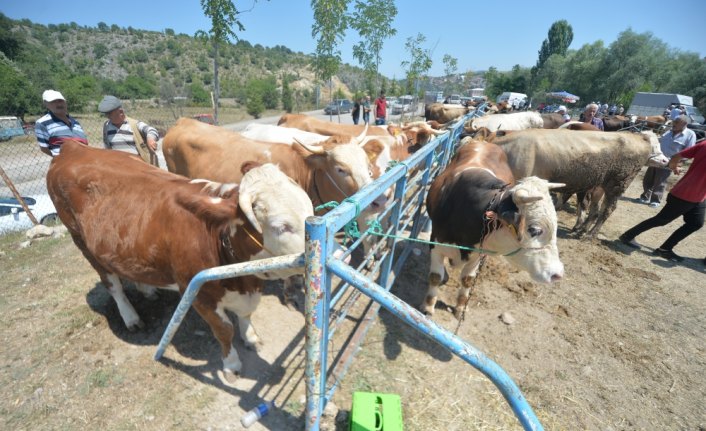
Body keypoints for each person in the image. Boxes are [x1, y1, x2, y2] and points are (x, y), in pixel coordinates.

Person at [619, 139, 706, 262]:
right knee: (661, 220)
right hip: (686, 194)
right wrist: (673, 166)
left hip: (699, 196)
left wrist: (673, 165)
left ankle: (665, 249)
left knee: (695, 223)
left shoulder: (704, 143)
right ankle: (628, 236)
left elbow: (677, 156)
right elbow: (678, 156)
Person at [638, 116, 696, 208]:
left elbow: (689, 151)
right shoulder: (669, 131)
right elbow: (660, 141)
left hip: (669, 162)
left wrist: (678, 163)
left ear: (684, 124)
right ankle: (645, 196)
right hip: (656, 159)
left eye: (677, 122)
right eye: (674, 121)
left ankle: (655, 200)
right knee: (648, 178)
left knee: (660, 181)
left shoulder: (690, 135)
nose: (674, 124)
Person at [98, 95, 160, 166]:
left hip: (138, 166)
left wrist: (150, 139)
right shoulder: (106, 126)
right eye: (106, 113)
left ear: (120, 112)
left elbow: (151, 130)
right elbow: (107, 147)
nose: (107, 116)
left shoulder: (134, 124)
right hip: (118, 167)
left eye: (110, 113)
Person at [35, 89, 88, 157]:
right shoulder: (42, 123)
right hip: (66, 164)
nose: (59, 104)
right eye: (53, 102)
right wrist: (60, 159)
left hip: (84, 161)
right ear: (46, 104)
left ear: (65, 102)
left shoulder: (75, 122)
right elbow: (44, 148)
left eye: (60, 101)